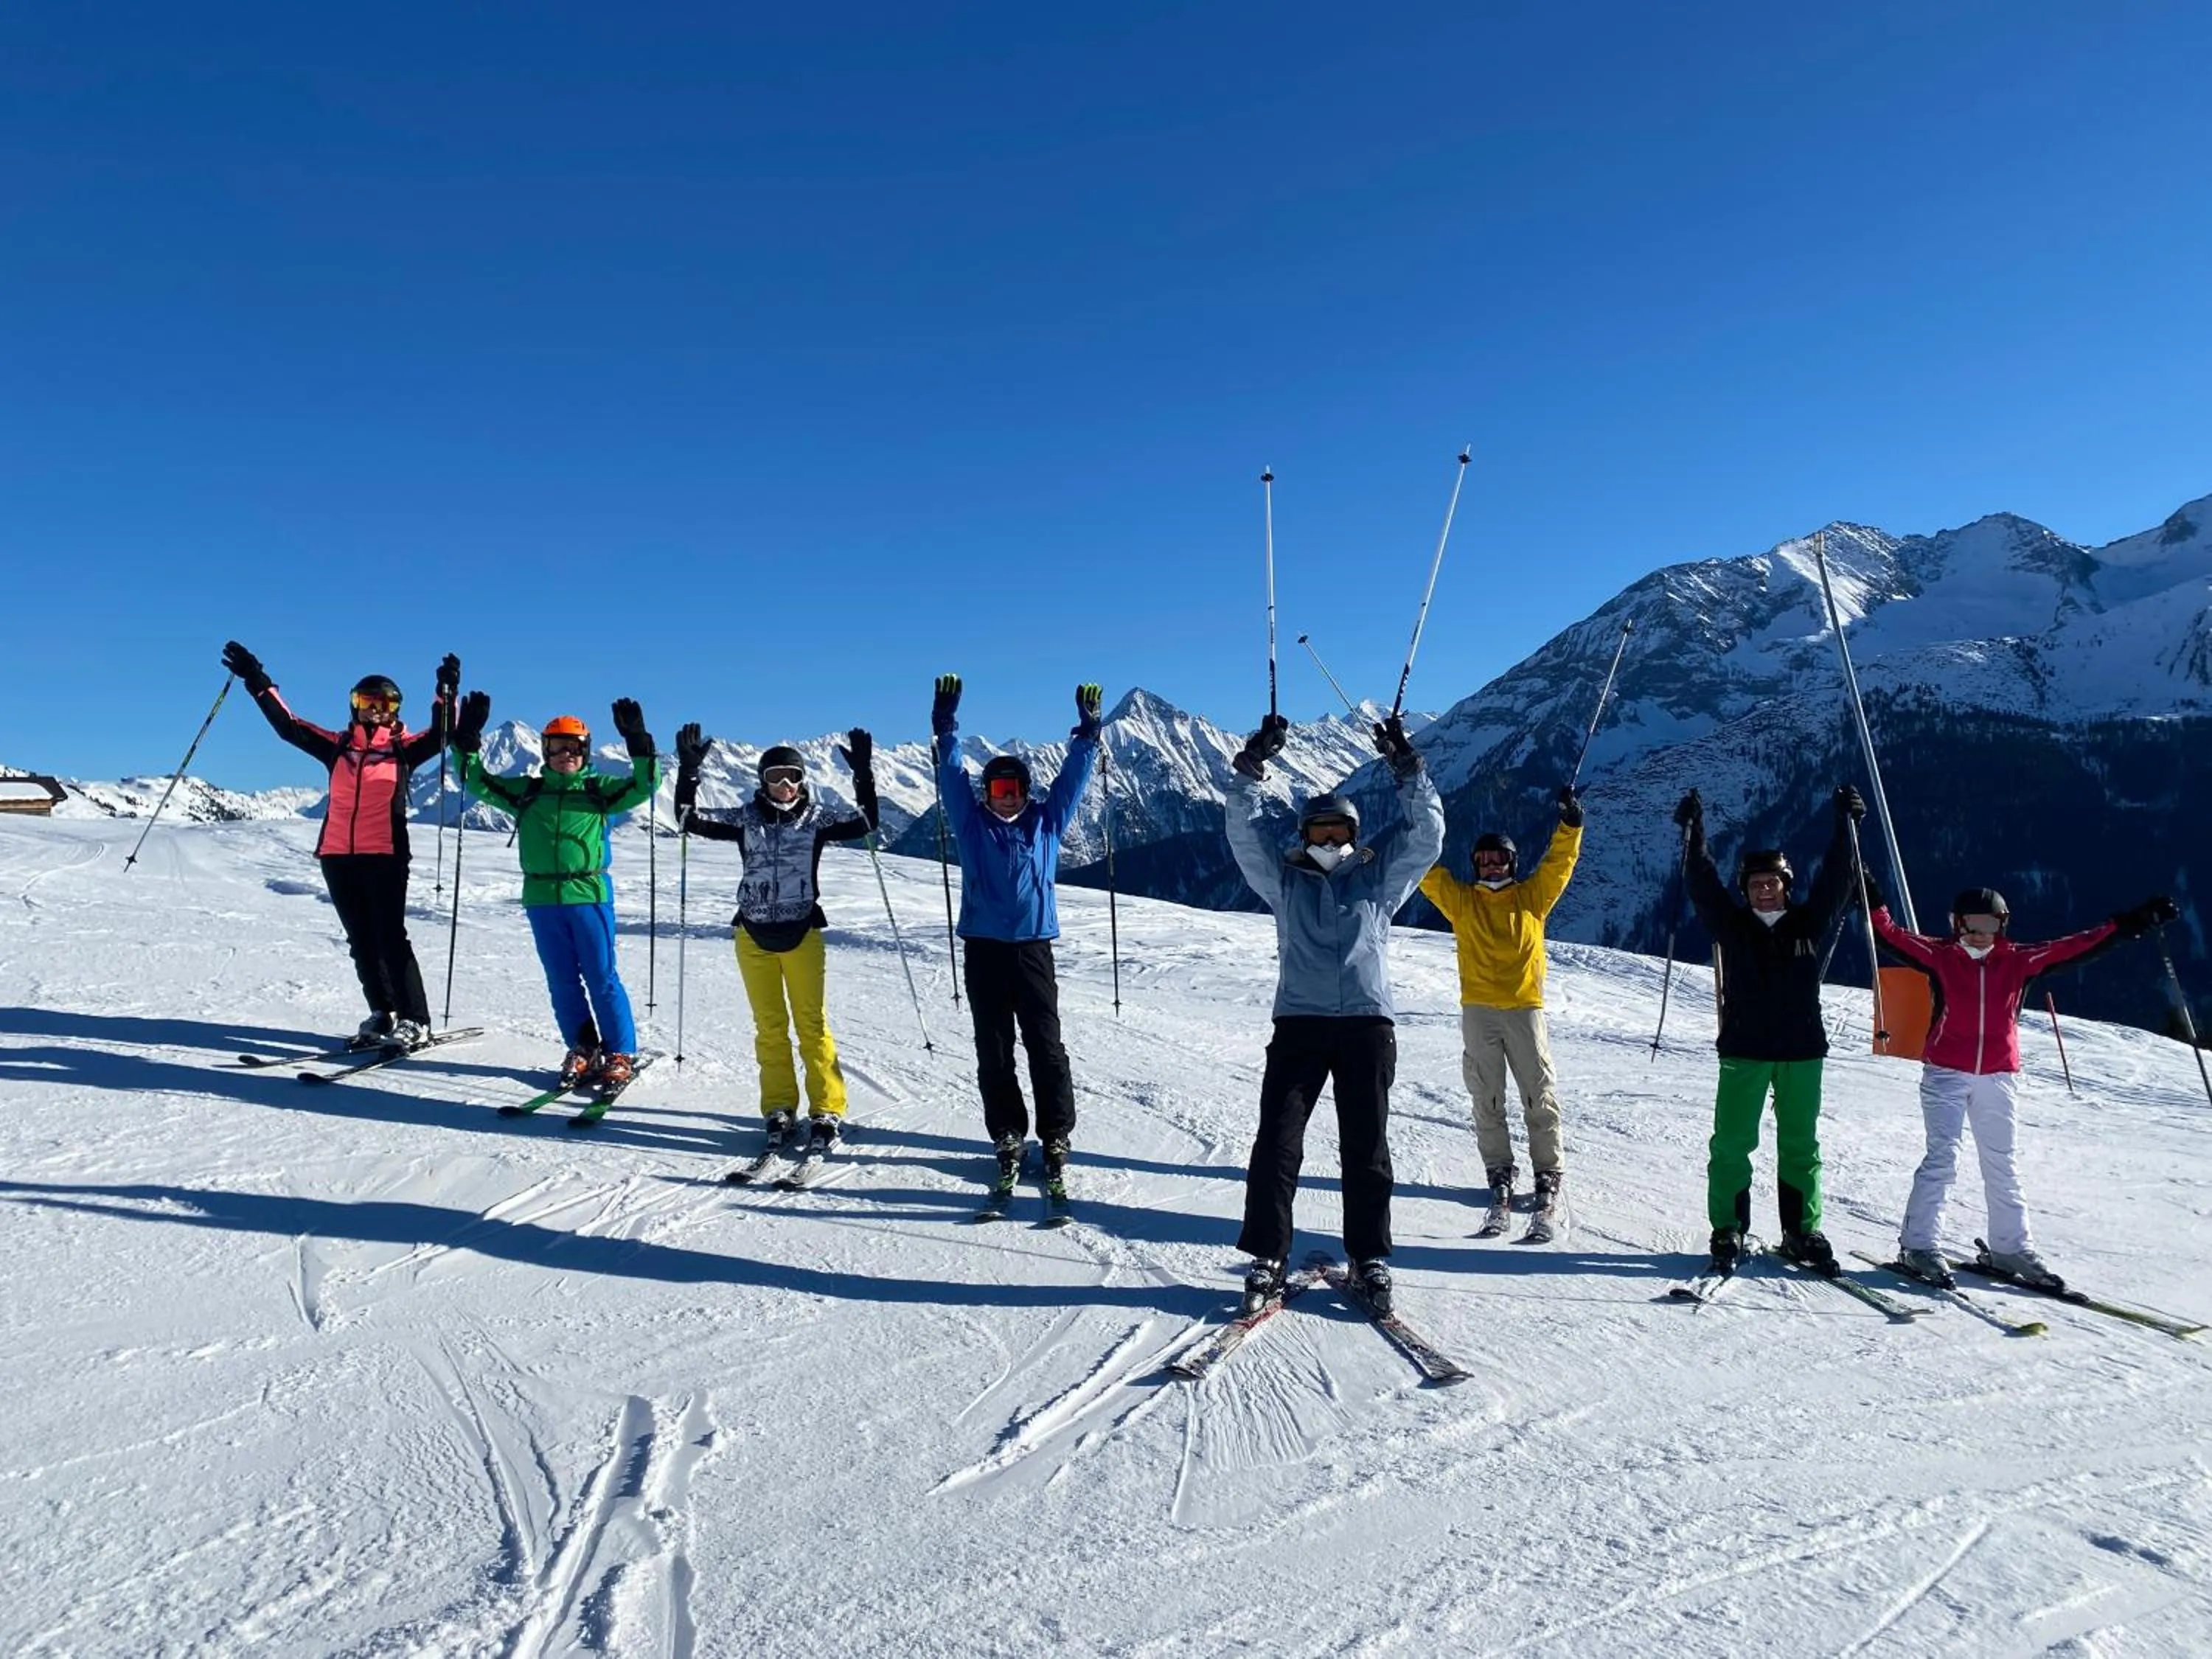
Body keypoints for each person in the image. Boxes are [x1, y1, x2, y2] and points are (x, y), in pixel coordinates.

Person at [1224, 711, 1445, 1315]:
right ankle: (1267, 1254)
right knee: (1278, 1141)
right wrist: (1249, 769)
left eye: (1338, 834)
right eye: (1318, 834)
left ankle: (1369, 1256)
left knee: (1366, 1144)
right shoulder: (1285, 881)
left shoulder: (1377, 883)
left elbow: (1426, 836)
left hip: (1368, 1026)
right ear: (1303, 835)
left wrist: (1409, 768)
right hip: (1298, 1022)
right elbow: (1242, 836)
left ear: (1353, 836)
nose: (1329, 844)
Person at [1868, 880, 2175, 1291]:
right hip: (1946, 1072)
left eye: (1990, 923)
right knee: (1943, 1158)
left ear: (2003, 925)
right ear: (1956, 924)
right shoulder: (1939, 957)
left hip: (1998, 1075)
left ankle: (2010, 1248)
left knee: (2003, 1163)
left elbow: (2078, 946)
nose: (1981, 932)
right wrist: (1871, 898)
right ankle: (1918, 1245)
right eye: (1972, 923)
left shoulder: (2020, 961)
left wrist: (2130, 925)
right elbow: (1890, 935)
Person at [218, 640, 459, 1051]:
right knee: (361, 939)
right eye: (368, 701)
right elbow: (288, 725)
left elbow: (442, 734)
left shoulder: (403, 750)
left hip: (384, 854)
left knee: (390, 936)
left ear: (396, 709)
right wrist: (256, 680)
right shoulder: (337, 746)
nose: (376, 709)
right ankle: (382, 1012)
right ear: (355, 705)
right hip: (337, 855)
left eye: (385, 703)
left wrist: (445, 694)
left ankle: (416, 1019)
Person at [1677, 784, 1863, 1277]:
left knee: (1801, 1144)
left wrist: (1848, 825)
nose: (1764, 890)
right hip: (1746, 1049)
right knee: (1733, 1143)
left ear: (1786, 884)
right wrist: (1694, 833)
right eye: (1756, 883)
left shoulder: (1809, 921)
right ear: (1745, 889)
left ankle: (1803, 1230)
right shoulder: (1733, 927)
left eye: (1772, 882)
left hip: (1802, 1050)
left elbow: (1837, 880)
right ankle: (1729, 1228)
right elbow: (1701, 881)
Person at [672, 725, 880, 1157]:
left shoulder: (817, 820)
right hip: (752, 934)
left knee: (812, 1025)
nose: (784, 785)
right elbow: (687, 819)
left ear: (803, 781)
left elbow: (867, 822)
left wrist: (863, 774)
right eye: (775, 777)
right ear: (761, 781)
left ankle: (827, 1108)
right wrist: (689, 772)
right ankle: (780, 1107)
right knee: (770, 1027)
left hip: (802, 931)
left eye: (792, 777)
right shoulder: (744, 820)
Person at [932, 675, 1101, 1204]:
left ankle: (1055, 1134)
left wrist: (1089, 735)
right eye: (996, 791)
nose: (1004, 800)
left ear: (1027, 793)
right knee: (994, 1047)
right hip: (983, 948)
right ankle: (1008, 1132)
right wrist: (945, 729)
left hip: (1032, 949)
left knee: (1045, 1046)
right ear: (985, 794)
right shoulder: (971, 823)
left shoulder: (1046, 824)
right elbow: (950, 777)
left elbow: (1073, 781)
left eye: (1013, 791)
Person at [450, 693, 660, 1092]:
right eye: (558, 746)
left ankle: (620, 1053)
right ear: (545, 750)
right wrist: (467, 740)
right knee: (562, 979)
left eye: (575, 747)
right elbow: (473, 780)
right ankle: (583, 1047)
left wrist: (639, 743)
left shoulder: (600, 791)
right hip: (542, 898)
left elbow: (646, 784)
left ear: (586, 752)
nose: (567, 753)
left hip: (589, 894)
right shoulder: (529, 792)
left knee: (602, 976)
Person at [1419, 787, 1585, 1236]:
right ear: (1476, 864)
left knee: (1539, 1094)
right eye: (1485, 860)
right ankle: (1499, 1172)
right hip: (1478, 1011)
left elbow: (1559, 865)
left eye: (1500, 860)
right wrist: (1406, 832)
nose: (1492, 866)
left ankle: (1548, 1174)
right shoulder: (1463, 901)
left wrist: (1570, 825)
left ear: (1512, 864)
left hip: (1525, 1008)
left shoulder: (1532, 898)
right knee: (1486, 1097)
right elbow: (1425, 873)